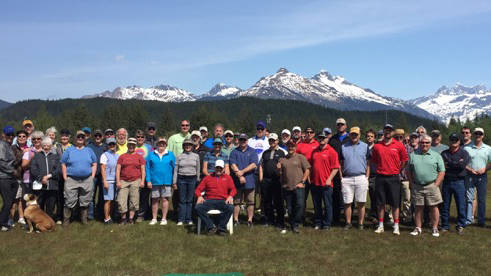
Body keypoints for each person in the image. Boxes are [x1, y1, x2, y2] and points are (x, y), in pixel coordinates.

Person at [371, 124, 408, 235]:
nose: (388, 132)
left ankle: (396, 226)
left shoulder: (399, 145)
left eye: (390, 130)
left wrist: (397, 169)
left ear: (392, 132)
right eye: (386, 130)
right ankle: (381, 225)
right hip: (381, 177)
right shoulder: (377, 146)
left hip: (393, 177)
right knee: (380, 203)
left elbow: (404, 160)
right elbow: (375, 161)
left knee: (395, 203)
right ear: (383, 131)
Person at [407, 134, 445, 237]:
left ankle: (435, 228)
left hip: (432, 185)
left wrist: (436, 184)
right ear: (419, 143)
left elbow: (442, 171)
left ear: (430, 143)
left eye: (427, 142)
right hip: (417, 186)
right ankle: (418, 228)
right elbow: (408, 171)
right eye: (422, 142)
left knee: (434, 207)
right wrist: (411, 183)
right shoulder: (413, 155)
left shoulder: (436, 155)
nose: (424, 144)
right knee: (418, 207)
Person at [61, 130, 97, 225]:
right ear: (75, 138)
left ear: (85, 139)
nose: (80, 139)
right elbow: (63, 163)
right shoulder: (69, 150)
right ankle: (66, 220)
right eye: (78, 137)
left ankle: (84, 220)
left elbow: (94, 163)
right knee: (69, 200)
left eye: (82, 137)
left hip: (86, 179)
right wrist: (65, 177)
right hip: (71, 179)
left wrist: (92, 176)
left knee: (85, 200)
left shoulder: (89, 150)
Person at [195, 159, 236, 235]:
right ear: (214, 168)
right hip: (209, 200)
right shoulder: (208, 177)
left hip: (222, 200)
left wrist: (230, 196)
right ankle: (211, 226)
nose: (219, 170)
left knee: (230, 208)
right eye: (217, 168)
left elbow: (233, 189)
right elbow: (198, 189)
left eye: (220, 168)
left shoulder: (228, 177)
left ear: (223, 169)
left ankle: (221, 228)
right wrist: (199, 196)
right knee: (198, 207)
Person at [278, 141, 311, 233]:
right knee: (290, 208)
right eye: (289, 146)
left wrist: (303, 181)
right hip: (286, 187)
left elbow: (307, 169)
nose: (290, 148)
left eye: (292, 146)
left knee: (300, 205)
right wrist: (278, 169)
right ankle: (294, 225)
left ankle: (296, 222)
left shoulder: (300, 157)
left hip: (299, 186)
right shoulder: (282, 159)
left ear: (295, 147)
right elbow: (279, 174)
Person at [340, 127, 369, 230]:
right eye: (352, 134)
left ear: (359, 135)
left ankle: (360, 223)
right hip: (347, 178)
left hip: (361, 177)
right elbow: (340, 163)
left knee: (361, 202)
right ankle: (348, 222)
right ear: (349, 135)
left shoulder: (365, 146)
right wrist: (341, 177)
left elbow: (369, 163)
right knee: (347, 202)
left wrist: (367, 177)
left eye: (356, 134)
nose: (354, 136)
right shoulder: (343, 147)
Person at [441, 133, 469, 234]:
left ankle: (461, 225)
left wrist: (450, 163)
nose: (454, 141)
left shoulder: (464, 153)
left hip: (459, 182)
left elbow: (462, 166)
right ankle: (445, 225)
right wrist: (457, 163)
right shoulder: (444, 153)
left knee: (461, 204)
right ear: (449, 141)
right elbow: (443, 166)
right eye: (452, 139)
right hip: (447, 181)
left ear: (459, 141)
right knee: (445, 205)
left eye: (456, 140)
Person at [311, 129, 339, 230]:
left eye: (323, 138)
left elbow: (336, 167)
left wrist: (329, 179)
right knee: (317, 205)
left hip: (326, 183)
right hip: (315, 182)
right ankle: (318, 222)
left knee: (327, 205)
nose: (322, 140)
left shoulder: (332, 152)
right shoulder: (314, 151)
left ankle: (327, 224)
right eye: (320, 138)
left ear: (327, 139)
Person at [463, 127, 491, 227]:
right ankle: (468, 219)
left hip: (482, 177)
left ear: (483, 135)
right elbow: (462, 162)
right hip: (470, 176)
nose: (478, 135)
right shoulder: (466, 148)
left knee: (481, 199)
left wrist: (485, 169)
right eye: (476, 133)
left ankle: (481, 220)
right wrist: (469, 169)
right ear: (473, 135)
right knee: (469, 198)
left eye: (480, 134)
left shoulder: (488, 148)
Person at [259, 133, 286, 229]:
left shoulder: (282, 152)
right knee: (266, 201)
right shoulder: (265, 153)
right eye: (270, 140)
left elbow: (284, 168)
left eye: (273, 140)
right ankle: (269, 220)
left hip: (277, 180)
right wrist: (261, 179)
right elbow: (261, 166)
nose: (272, 142)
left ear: (277, 141)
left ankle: (280, 222)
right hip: (266, 180)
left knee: (278, 202)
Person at [230, 133, 258, 226]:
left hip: (249, 180)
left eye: (244, 140)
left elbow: (254, 164)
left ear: (247, 141)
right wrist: (240, 175)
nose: (243, 141)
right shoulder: (234, 151)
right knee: (237, 201)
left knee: (250, 202)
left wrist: (242, 172)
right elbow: (232, 164)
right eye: (241, 140)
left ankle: (249, 220)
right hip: (237, 180)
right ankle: (235, 220)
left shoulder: (253, 151)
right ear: (239, 140)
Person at [30, 137, 61, 220]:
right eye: (44, 145)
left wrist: (49, 176)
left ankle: (49, 222)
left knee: (50, 205)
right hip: (40, 185)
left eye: (48, 145)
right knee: (40, 205)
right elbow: (33, 169)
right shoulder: (37, 156)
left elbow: (58, 169)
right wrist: (41, 178)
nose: (46, 146)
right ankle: (39, 221)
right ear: (42, 145)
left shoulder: (55, 157)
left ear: (51, 146)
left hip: (52, 185)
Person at [116, 138, 145, 224]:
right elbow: (118, 169)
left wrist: (142, 181)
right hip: (123, 180)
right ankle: (123, 218)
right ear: (127, 145)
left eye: (133, 145)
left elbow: (143, 170)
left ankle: (131, 219)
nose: (131, 146)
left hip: (136, 180)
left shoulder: (140, 157)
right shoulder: (122, 156)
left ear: (135, 146)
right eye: (130, 144)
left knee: (134, 200)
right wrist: (118, 181)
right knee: (121, 200)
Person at [145, 137, 174, 225]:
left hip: (167, 181)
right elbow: (147, 168)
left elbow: (174, 168)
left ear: (166, 145)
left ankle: (164, 218)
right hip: (154, 181)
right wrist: (148, 180)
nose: (161, 145)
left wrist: (174, 181)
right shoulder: (151, 154)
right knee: (155, 200)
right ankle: (154, 218)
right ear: (157, 144)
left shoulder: (170, 154)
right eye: (160, 143)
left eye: (163, 143)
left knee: (165, 199)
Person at [173, 139, 200, 225]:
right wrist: (174, 182)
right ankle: (181, 219)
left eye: (189, 145)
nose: (188, 146)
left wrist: (198, 179)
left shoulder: (196, 156)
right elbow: (175, 170)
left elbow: (198, 169)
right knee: (182, 200)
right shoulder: (179, 156)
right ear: (183, 146)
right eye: (186, 145)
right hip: (181, 178)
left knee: (190, 200)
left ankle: (189, 219)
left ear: (192, 146)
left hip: (192, 179)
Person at [296, 126, 319, 219]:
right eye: (307, 132)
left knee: (316, 199)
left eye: (311, 132)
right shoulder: (300, 145)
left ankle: (317, 218)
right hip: (302, 175)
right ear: (305, 133)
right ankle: (301, 218)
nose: (309, 134)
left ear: (314, 134)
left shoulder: (318, 144)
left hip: (315, 176)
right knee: (302, 199)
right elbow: (295, 157)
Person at [10, 130, 29, 226]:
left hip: (25, 177)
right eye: (19, 136)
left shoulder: (29, 148)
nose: (21, 138)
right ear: (16, 138)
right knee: (14, 199)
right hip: (14, 176)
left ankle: (21, 217)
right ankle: (11, 219)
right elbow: (13, 162)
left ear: (26, 138)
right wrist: (23, 154)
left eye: (24, 136)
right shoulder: (12, 148)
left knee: (22, 199)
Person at [87, 129, 105, 221]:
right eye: (96, 136)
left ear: (103, 137)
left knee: (102, 195)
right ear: (93, 137)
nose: (97, 137)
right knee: (91, 195)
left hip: (103, 175)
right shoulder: (89, 147)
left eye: (99, 136)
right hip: (92, 174)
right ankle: (90, 215)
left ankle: (100, 213)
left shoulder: (106, 147)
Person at [100, 137, 119, 224]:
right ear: (107, 145)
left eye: (113, 144)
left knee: (113, 200)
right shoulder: (104, 155)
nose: (112, 146)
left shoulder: (117, 155)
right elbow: (103, 169)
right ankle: (106, 218)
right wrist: (105, 181)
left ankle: (111, 216)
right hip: (108, 180)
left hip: (116, 181)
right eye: (110, 144)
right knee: (108, 200)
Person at [135, 129, 152, 222]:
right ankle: (134, 213)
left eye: (142, 137)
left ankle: (141, 215)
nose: (140, 138)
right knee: (135, 195)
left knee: (144, 196)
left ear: (145, 138)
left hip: (145, 174)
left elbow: (151, 161)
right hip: (134, 174)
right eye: (138, 137)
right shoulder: (133, 146)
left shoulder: (149, 148)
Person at [54, 128, 71, 224]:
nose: (64, 137)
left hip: (69, 175)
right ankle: (59, 216)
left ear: (69, 137)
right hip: (58, 175)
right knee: (59, 196)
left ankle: (69, 216)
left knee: (69, 196)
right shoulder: (56, 146)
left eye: (66, 135)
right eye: (62, 135)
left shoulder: (72, 147)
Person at [0, 135, 16, 231]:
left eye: (11, 134)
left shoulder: (8, 145)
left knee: (9, 200)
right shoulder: (2, 145)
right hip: (3, 177)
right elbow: (1, 162)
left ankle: (3, 219)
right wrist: (12, 170)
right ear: (3, 135)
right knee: (8, 201)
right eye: (7, 134)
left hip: (9, 177)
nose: (10, 136)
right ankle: (2, 223)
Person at [365, 129, 378, 220]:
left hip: (374, 174)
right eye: (368, 136)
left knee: (374, 195)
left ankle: (375, 214)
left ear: (374, 138)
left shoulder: (377, 148)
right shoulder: (363, 147)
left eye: (371, 136)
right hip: (363, 174)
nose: (369, 138)